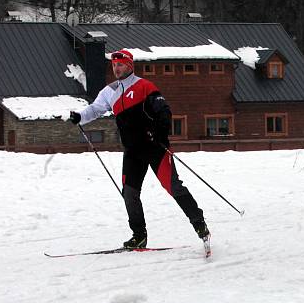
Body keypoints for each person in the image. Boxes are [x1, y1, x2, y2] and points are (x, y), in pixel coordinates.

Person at [69, 49, 209, 249]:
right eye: (114, 65)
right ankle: (139, 235)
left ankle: (199, 224)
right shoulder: (110, 91)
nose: (116, 68)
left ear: (129, 66)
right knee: (129, 193)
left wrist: (159, 133)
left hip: (154, 149)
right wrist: (80, 117)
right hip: (133, 152)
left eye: (120, 64)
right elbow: (95, 109)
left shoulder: (144, 86)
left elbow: (164, 112)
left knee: (173, 187)